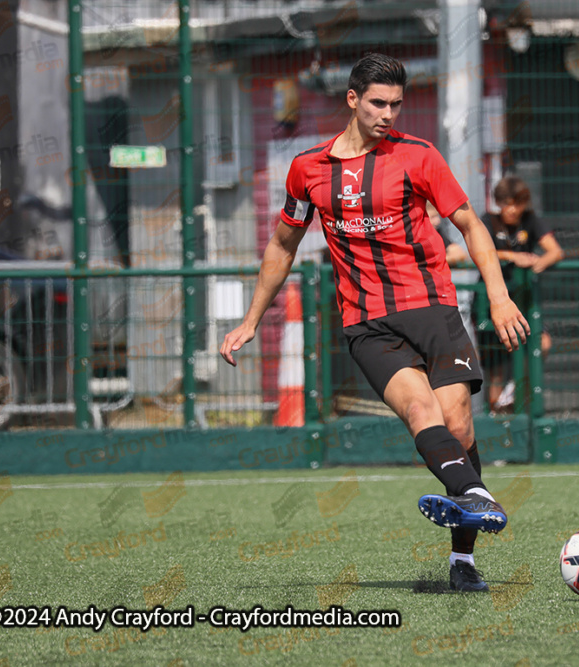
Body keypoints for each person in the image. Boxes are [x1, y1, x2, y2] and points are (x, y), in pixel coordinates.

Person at [220, 53, 530, 592]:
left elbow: (470, 225)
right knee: (418, 409)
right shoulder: (307, 168)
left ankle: (463, 559)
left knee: (457, 423)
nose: (388, 113)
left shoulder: (418, 156)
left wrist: (499, 297)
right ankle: (474, 494)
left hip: (433, 306)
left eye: (396, 104)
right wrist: (251, 319)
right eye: (378, 103)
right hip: (368, 323)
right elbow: (282, 244)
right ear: (352, 100)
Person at [478, 176, 564, 412]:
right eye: (507, 203)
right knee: (495, 367)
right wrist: (513, 256)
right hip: (490, 303)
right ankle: (498, 420)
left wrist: (538, 262)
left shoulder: (532, 220)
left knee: (542, 344)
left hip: (523, 302)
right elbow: (481, 252)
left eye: (518, 203)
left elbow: (555, 251)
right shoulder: (487, 221)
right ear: (498, 203)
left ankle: (515, 389)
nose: (513, 210)